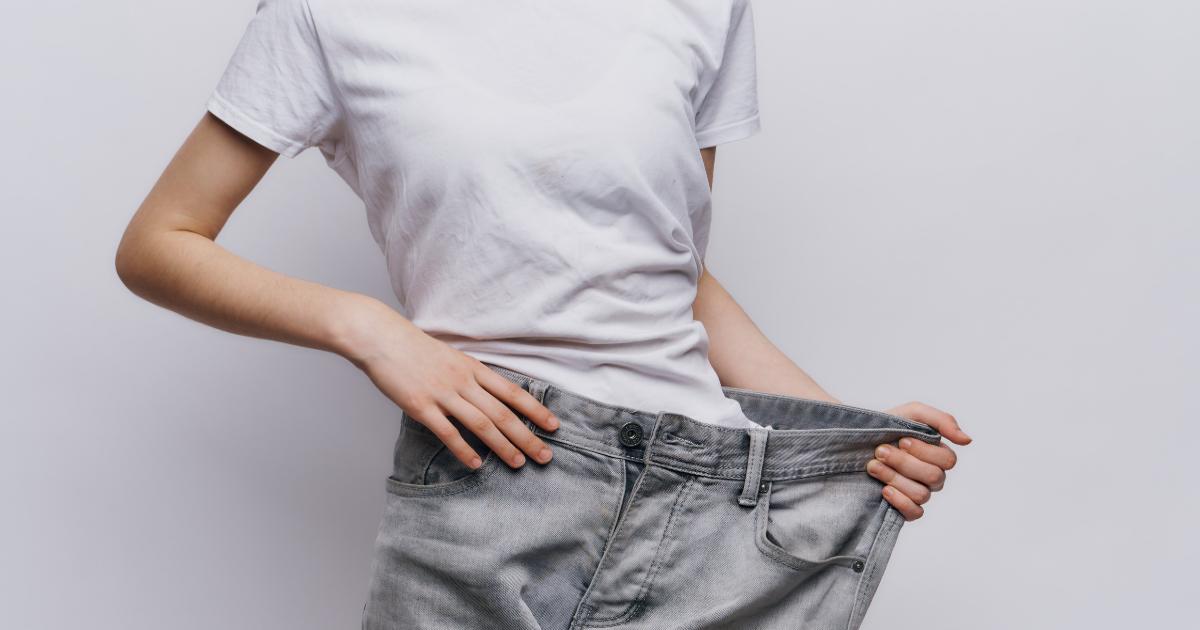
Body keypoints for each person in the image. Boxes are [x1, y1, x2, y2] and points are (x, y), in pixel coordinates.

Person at [116, 0, 973, 627]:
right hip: (495, 478)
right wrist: (372, 331)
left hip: (712, 509)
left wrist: (838, 437)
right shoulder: (326, 15)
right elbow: (160, 243)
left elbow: (672, 271)